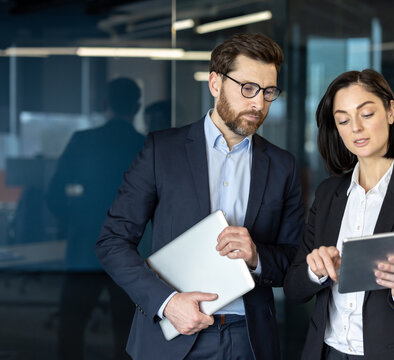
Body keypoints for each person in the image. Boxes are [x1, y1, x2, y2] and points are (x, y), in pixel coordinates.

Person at [95, 33, 305, 360]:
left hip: (248, 339)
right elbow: (112, 241)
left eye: (268, 92)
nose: (258, 103)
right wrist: (167, 303)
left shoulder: (283, 166)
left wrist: (257, 256)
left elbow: (294, 260)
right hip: (170, 334)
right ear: (215, 83)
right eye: (247, 88)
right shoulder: (161, 151)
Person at [283, 69, 394, 360]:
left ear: (391, 111)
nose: (355, 128)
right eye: (343, 120)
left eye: (366, 114)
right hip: (326, 352)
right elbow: (293, 288)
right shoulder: (328, 195)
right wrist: (314, 272)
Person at [46, 77, 145, 359]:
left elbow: (53, 195)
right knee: (127, 336)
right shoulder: (144, 146)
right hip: (130, 253)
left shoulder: (82, 141)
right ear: (137, 107)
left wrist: (76, 222)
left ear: (104, 104)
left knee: (71, 331)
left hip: (84, 249)